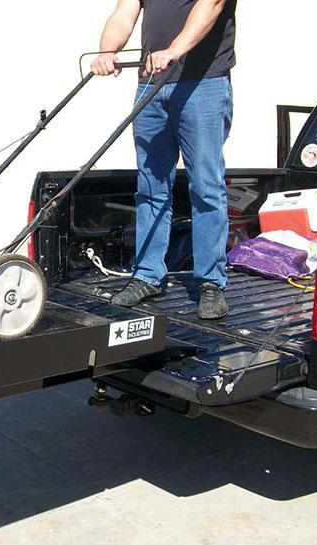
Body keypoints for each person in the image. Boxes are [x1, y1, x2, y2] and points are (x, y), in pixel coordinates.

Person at [91, 0, 236, 319]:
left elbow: (211, 6)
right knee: (151, 187)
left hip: (203, 84)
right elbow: (124, 13)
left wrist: (174, 49)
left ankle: (211, 282)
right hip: (151, 85)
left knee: (206, 187)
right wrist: (107, 50)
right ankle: (147, 275)